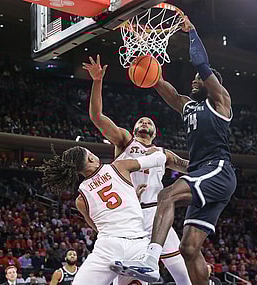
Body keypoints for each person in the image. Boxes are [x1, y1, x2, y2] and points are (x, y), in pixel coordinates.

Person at [110, 16, 237, 285]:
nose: (193, 82)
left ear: (212, 83)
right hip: (203, 172)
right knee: (189, 250)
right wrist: (145, 56)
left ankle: (150, 261)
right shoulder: (188, 106)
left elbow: (201, 64)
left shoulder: (221, 102)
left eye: (198, 80)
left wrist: (192, 33)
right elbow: (161, 85)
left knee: (167, 194)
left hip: (218, 170)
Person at [82, 54, 191, 285]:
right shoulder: (124, 141)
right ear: (133, 128)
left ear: (155, 132)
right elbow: (96, 117)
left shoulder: (163, 154)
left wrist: (215, 162)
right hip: (128, 219)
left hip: (156, 214)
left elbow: (189, 168)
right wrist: (97, 80)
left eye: (149, 122)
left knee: (182, 274)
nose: (144, 123)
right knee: (123, 281)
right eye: (140, 121)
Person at [38, 145, 168, 285]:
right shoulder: (118, 166)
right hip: (137, 245)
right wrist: (157, 151)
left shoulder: (81, 200)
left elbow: (99, 227)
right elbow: (159, 159)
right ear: (91, 157)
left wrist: (132, 198)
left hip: (108, 248)